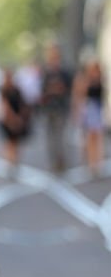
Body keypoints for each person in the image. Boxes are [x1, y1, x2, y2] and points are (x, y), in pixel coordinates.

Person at [40, 43, 73, 173]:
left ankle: (61, 161)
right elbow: (41, 90)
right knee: (50, 137)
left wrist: (60, 90)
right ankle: (53, 161)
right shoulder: (46, 72)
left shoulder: (64, 72)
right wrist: (49, 91)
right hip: (48, 108)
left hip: (61, 108)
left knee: (60, 136)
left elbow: (70, 88)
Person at [73, 58, 105, 177]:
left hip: (97, 110)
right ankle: (91, 163)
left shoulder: (100, 79)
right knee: (90, 137)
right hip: (88, 110)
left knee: (98, 137)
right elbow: (80, 94)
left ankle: (98, 162)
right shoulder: (85, 80)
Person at [0, 67, 29, 176]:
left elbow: (22, 105)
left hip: (15, 118)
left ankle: (13, 162)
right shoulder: (3, 90)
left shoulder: (16, 90)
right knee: (10, 143)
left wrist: (20, 117)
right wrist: (13, 119)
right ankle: (10, 163)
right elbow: (5, 107)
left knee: (14, 143)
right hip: (8, 120)